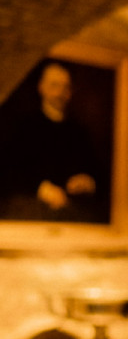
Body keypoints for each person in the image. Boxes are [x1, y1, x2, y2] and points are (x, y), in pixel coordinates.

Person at [0, 60, 104, 222]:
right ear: (41, 87)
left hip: (72, 214)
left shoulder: (79, 132)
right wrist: (40, 189)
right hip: (31, 212)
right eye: (54, 86)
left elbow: (97, 172)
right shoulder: (24, 126)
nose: (60, 93)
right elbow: (9, 172)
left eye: (66, 87)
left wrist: (88, 181)